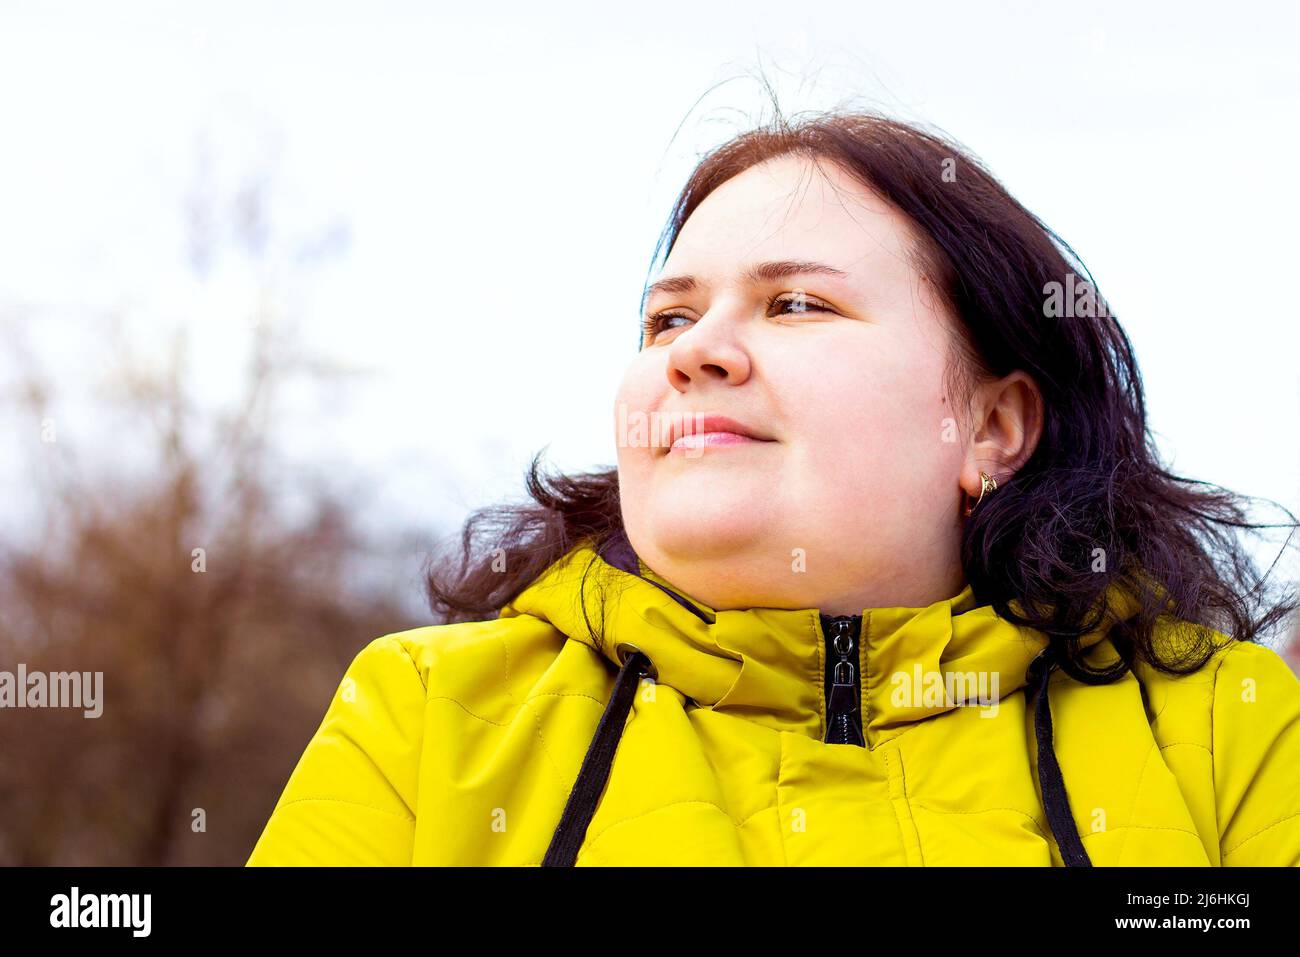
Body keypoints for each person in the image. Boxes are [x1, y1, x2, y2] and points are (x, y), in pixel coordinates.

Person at [246, 109, 1300, 866]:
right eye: (667, 319)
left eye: (794, 305)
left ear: (991, 426)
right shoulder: (428, 717)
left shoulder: (1226, 734)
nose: (696, 352)